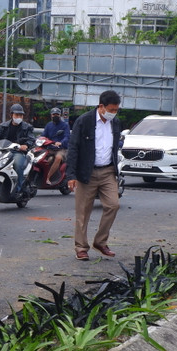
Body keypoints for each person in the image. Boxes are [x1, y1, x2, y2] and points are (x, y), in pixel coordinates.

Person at [65, 90, 124, 261]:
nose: (113, 113)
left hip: (107, 171)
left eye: (116, 110)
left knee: (113, 205)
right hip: (86, 172)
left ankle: (100, 241)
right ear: (101, 106)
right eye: (111, 109)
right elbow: (73, 147)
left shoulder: (116, 123)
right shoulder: (84, 121)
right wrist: (71, 175)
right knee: (83, 212)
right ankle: (81, 247)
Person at [0, 104, 35, 194]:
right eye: (16, 115)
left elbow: (32, 139)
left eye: (20, 115)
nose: (19, 117)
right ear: (11, 115)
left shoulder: (27, 127)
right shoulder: (3, 126)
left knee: (18, 165)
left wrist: (26, 145)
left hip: (18, 152)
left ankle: (18, 189)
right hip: (4, 151)